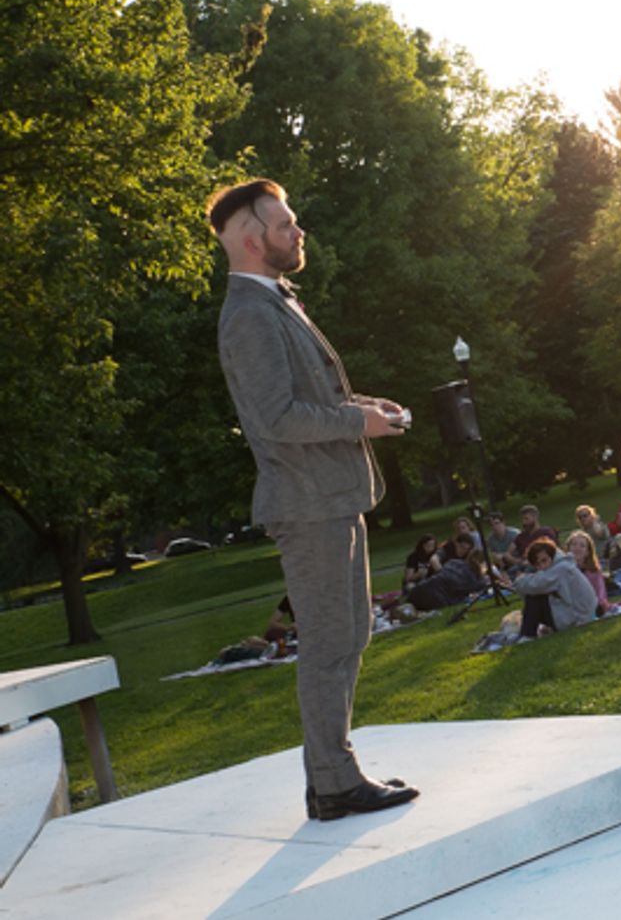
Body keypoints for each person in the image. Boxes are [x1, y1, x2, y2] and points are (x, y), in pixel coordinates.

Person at [208, 178, 417, 819]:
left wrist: (365, 407)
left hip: (329, 496)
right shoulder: (248, 313)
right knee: (330, 641)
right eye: (285, 225)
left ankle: (332, 773)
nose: (299, 233)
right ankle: (332, 783)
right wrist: (359, 426)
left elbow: (308, 402)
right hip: (305, 504)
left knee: (349, 633)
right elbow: (274, 418)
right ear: (251, 239)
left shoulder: (276, 301)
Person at [514, 540, 600, 638]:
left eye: (544, 560)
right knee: (536, 595)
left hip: (579, 618)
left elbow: (534, 584)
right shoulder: (564, 565)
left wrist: (519, 579)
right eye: (538, 564)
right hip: (579, 614)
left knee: (534, 599)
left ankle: (527, 635)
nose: (542, 566)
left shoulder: (561, 569)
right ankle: (528, 633)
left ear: (552, 556)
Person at [565, 530, 610, 617]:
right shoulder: (563, 569)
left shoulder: (593, 572)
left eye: (582, 546)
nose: (577, 548)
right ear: (568, 548)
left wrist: (600, 604)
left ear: (587, 552)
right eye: (574, 544)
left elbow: (600, 592)